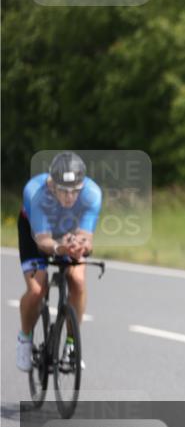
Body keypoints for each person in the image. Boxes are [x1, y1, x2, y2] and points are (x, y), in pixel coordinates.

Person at [16, 152, 102, 372]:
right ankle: (25, 339)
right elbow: (43, 242)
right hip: (35, 232)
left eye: (76, 190)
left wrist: (79, 245)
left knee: (78, 281)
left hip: (68, 231)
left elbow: (87, 237)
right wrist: (58, 248)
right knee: (37, 290)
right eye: (64, 189)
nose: (70, 196)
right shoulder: (35, 192)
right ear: (52, 184)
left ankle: (72, 345)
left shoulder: (92, 194)